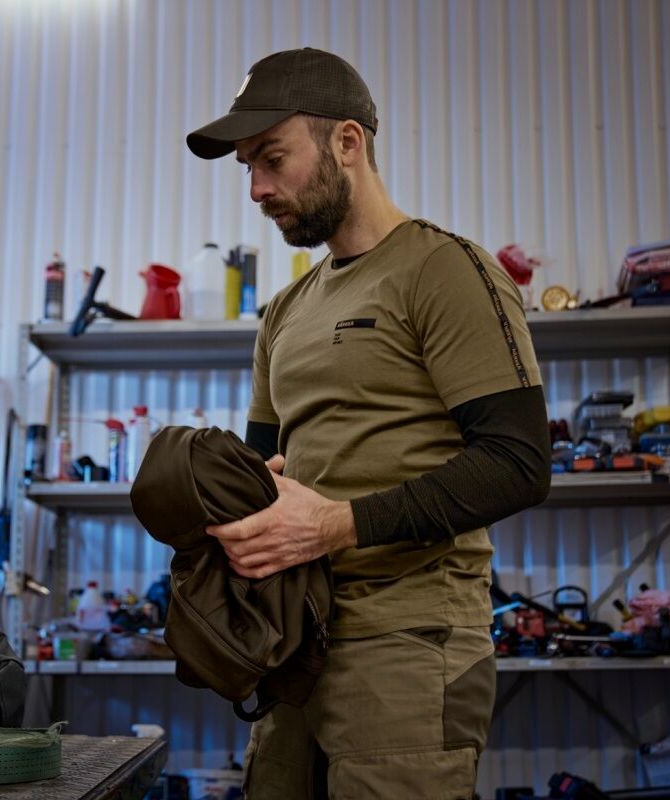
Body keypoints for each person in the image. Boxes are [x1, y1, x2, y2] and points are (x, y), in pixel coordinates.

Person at [186, 47, 551, 800]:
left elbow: (518, 462)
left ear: (346, 143)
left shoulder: (445, 270)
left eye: (272, 159)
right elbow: (266, 479)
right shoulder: (284, 310)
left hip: (410, 646)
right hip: (296, 643)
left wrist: (333, 527)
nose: (256, 188)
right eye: (246, 168)